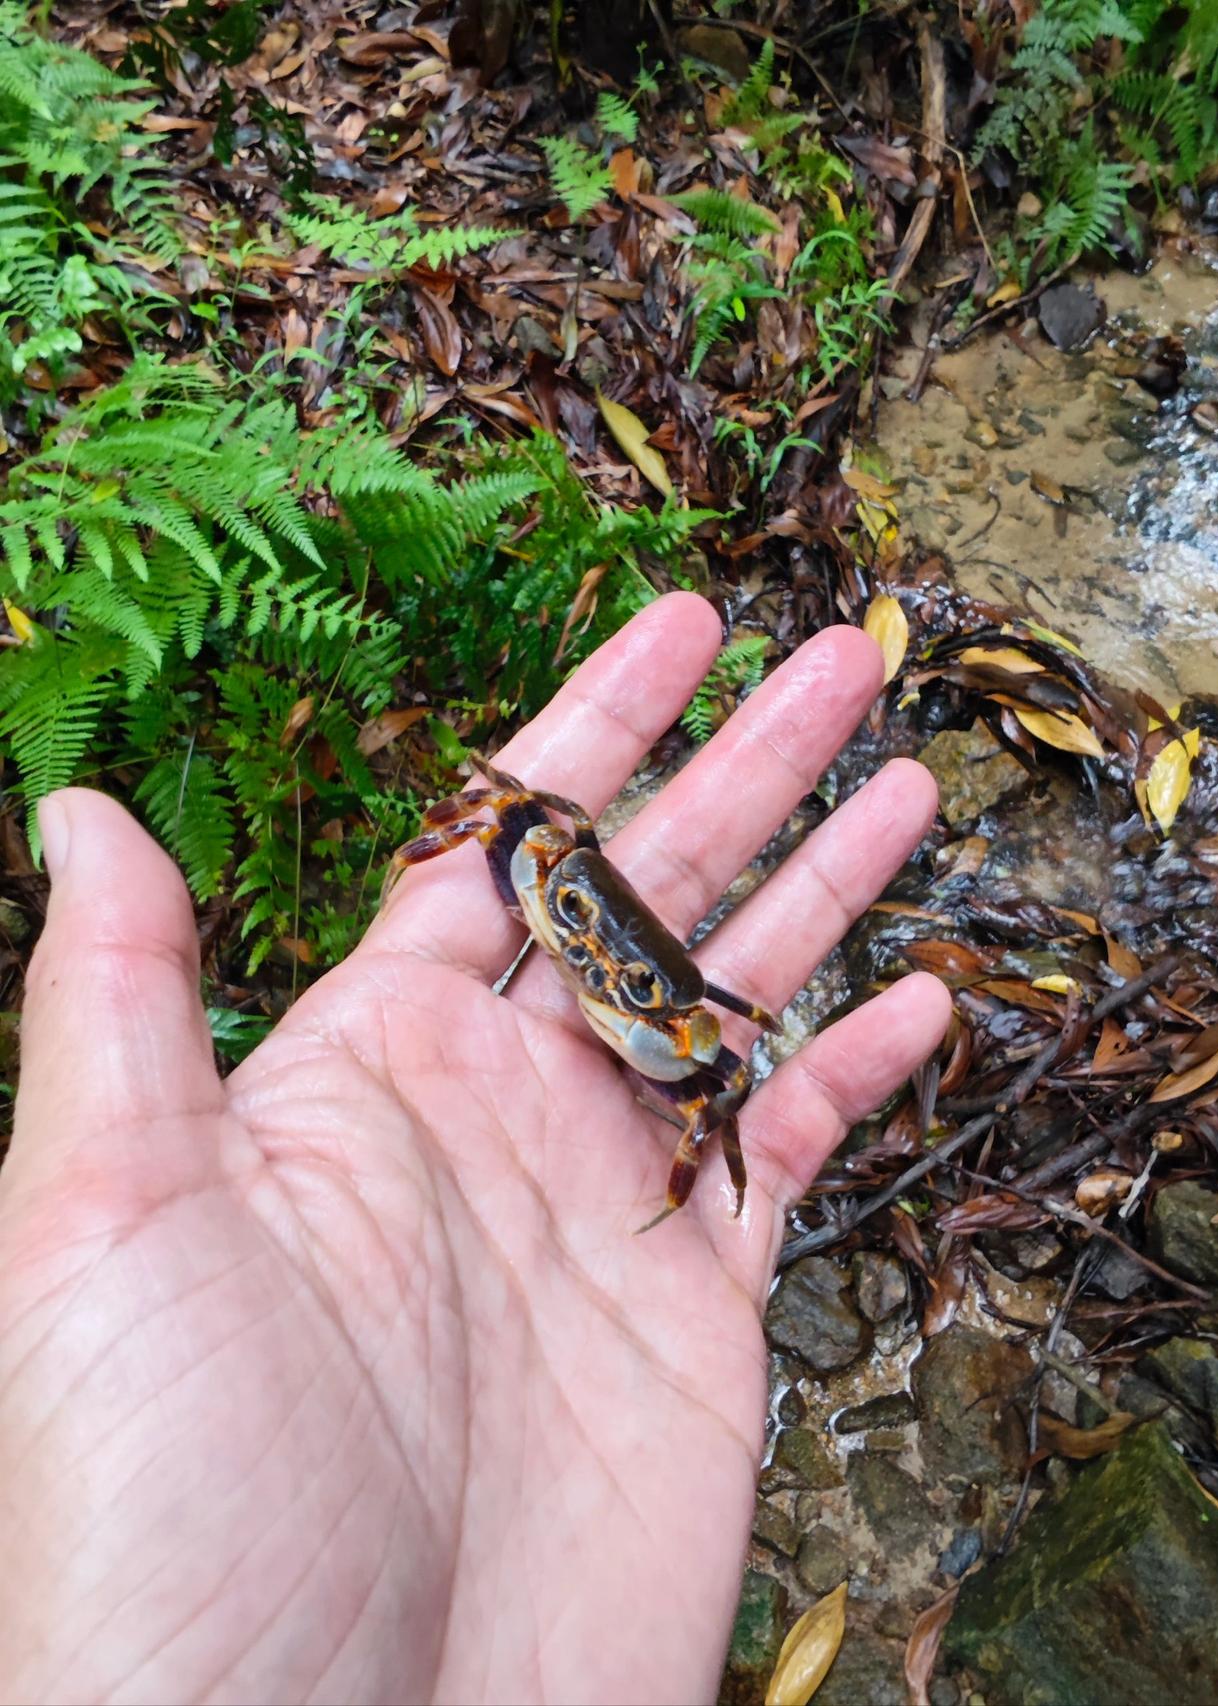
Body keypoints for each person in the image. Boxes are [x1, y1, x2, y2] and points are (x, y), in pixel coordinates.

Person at [1, 593, 949, 1705]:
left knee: (723, 1081)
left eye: (626, 975)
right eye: (597, 952)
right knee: (527, 825)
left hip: (653, 989)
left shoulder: (680, 1019)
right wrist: (442, 848)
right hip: (575, 896)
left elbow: (710, 1071)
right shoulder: (550, 853)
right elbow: (507, 805)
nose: (601, 965)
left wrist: (692, 1123)